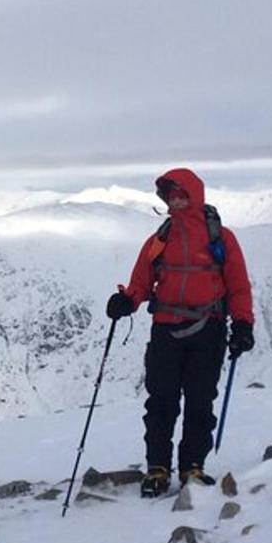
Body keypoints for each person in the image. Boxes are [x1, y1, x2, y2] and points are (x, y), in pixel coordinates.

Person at [106, 168, 255, 497]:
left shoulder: (221, 237)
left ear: (194, 193)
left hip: (209, 329)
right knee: (161, 402)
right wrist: (126, 301)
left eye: (180, 193)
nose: (175, 199)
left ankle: (192, 467)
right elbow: (141, 283)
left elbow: (239, 286)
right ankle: (158, 468)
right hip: (166, 330)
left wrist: (243, 323)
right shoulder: (160, 238)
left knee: (200, 401)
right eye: (170, 194)